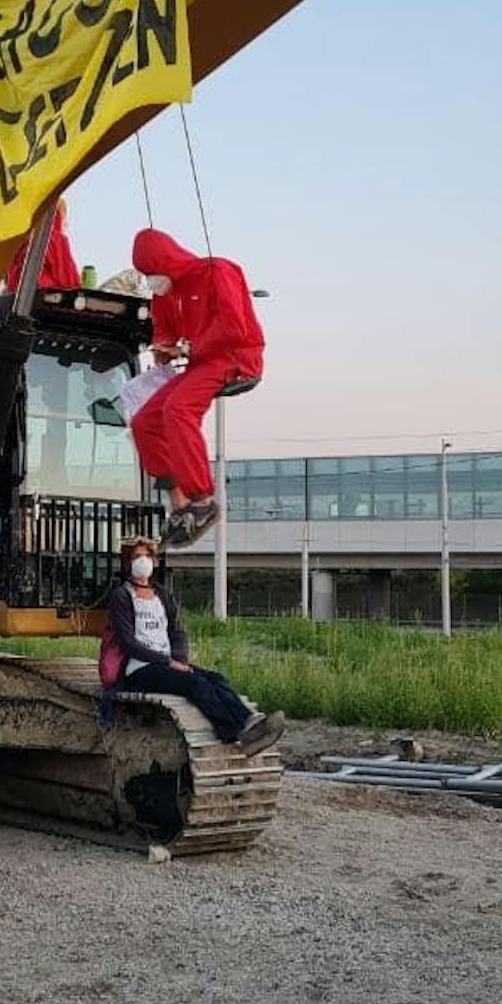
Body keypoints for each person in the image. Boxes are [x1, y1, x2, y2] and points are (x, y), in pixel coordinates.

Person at [128, 230, 265, 546]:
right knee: (144, 421)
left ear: (167, 261)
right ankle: (179, 506)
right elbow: (164, 327)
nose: (151, 281)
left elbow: (235, 327)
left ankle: (203, 501)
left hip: (235, 357)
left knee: (177, 409)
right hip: (200, 363)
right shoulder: (165, 292)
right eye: (146, 275)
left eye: (152, 272)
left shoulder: (216, 271)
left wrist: (187, 349)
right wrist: (162, 346)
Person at [104, 536, 284, 763]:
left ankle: (249, 722)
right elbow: (127, 641)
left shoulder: (162, 594)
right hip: (140, 669)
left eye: (147, 556)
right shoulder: (122, 596)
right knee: (195, 684)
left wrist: (180, 659)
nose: (143, 561)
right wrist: (168, 663)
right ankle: (233, 732)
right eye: (137, 557)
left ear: (154, 560)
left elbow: (177, 632)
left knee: (215, 678)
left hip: (168, 662)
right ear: (128, 562)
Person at [7, 196, 81, 295]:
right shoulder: (55, 240)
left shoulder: (19, 244)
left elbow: (11, 282)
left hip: (20, 301)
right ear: (57, 215)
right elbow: (71, 283)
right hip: (46, 302)